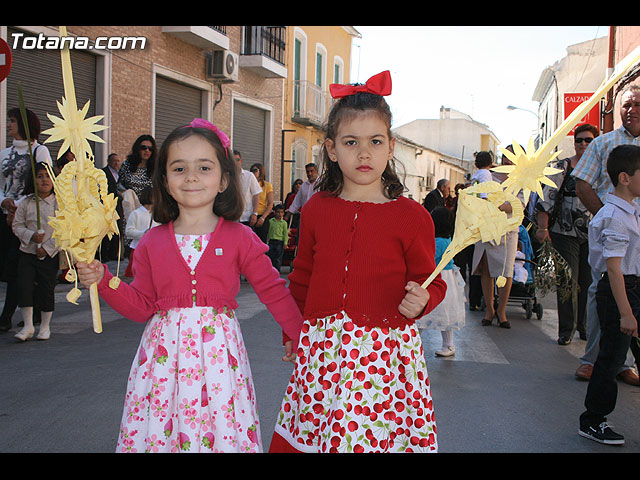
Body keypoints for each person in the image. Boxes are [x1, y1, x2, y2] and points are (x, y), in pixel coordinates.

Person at [75, 119, 303, 453]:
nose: (192, 177)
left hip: (219, 364)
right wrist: (104, 281)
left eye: (204, 167)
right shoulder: (152, 242)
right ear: (164, 181)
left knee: (219, 433)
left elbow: (273, 290)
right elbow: (140, 307)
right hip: (164, 365)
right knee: (163, 432)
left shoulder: (240, 237)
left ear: (224, 179)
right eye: (179, 168)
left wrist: (300, 338)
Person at [269, 71, 447, 453]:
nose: (364, 153)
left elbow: (431, 279)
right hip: (323, 352)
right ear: (332, 149)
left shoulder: (413, 216)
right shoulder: (317, 208)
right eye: (352, 142)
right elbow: (301, 276)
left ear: (391, 146)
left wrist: (423, 298)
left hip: (384, 359)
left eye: (375, 142)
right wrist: (291, 330)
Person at [572, 85, 640, 385]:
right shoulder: (603, 143)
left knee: (633, 294)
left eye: (638, 104)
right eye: (626, 104)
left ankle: (623, 361)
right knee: (603, 290)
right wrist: (609, 216)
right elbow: (582, 184)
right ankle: (591, 359)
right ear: (617, 109)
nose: (632, 109)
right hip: (614, 233)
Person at [578, 144, 640, 446]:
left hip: (633, 287)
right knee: (612, 358)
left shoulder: (633, 209)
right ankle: (593, 420)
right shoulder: (614, 216)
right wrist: (626, 311)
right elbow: (614, 270)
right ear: (625, 178)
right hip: (619, 290)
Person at [535, 124, 598, 345]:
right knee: (567, 281)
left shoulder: (600, 166)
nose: (583, 144)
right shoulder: (563, 166)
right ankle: (567, 329)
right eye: (579, 140)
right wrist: (542, 228)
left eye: (588, 140)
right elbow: (547, 198)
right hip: (564, 231)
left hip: (593, 233)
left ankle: (584, 326)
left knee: (588, 282)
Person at [0, 107, 52, 333]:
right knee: (13, 268)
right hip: (5, 216)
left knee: (23, 268)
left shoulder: (39, 151)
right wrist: (4, 202)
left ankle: (9, 314)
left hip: (29, 219)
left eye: (12, 120)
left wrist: (19, 206)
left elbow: (45, 182)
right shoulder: (4, 154)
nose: (8, 124)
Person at [472, 148, 522, 329]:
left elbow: (519, 205)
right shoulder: (488, 174)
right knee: (486, 268)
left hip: (507, 230)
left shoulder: (521, 180)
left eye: (512, 159)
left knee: (505, 271)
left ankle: (502, 310)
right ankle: (489, 309)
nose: (508, 162)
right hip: (486, 228)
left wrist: (496, 206)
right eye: (505, 158)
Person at [11, 162, 59, 341]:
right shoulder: (27, 202)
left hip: (49, 254)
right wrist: (31, 236)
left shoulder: (58, 204)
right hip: (28, 252)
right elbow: (17, 225)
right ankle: (28, 326)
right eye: (39, 176)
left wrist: (46, 248)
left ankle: (45, 326)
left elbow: (63, 230)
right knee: (24, 286)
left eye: (47, 176)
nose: (44, 180)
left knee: (46, 289)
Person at [416, 206, 466, 357]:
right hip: (448, 279)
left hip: (436, 279)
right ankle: (448, 345)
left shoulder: (438, 242)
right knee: (446, 315)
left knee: (422, 314)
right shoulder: (448, 239)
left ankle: (413, 343)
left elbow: (428, 259)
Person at [123, 186, 158, 278]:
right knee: (134, 272)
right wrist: (143, 234)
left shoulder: (158, 214)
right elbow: (128, 231)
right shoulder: (136, 213)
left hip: (154, 248)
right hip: (138, 247)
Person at [101, 153, 124, 262]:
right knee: (106, 229)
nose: (117, 163)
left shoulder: (121, 174)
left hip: (118, 205)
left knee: (118, 228)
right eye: (114, 160)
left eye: (118, 161)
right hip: (107, 205)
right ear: (109, 161)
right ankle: (104, 254)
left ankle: (114, 253)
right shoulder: (103, 173)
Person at [233, 150, 262, 227]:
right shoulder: (226, 177)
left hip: (246, 218)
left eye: (237, 160)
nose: (235, 162)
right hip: (231, 217)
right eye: (233, 160)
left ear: (241, 161)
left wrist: (255, 214)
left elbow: (256, 196)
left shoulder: (249, 176)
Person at [250, 163, 274, 243]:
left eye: (255, 170)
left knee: (261, 242)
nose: (253, 172)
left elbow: (270, 203)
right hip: (250, 215)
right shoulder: (249, 184)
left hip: (261, 215)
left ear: (261, 171)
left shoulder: (267, 185)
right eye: (252, 170)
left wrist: (263, 217)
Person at [266, 204, 288, 272]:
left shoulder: (284, 223)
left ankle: (277, 272)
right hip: (272, 241)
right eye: (278, 212)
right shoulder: (271, 221)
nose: (279, 214)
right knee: (270, 257)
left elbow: (285, 233)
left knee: (278, 259)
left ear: (283, 213)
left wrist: (285, 243)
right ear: (274, 212)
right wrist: (267, 241)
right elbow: (268, 232)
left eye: (281, 212)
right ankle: (270, 271)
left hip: (280, 242)